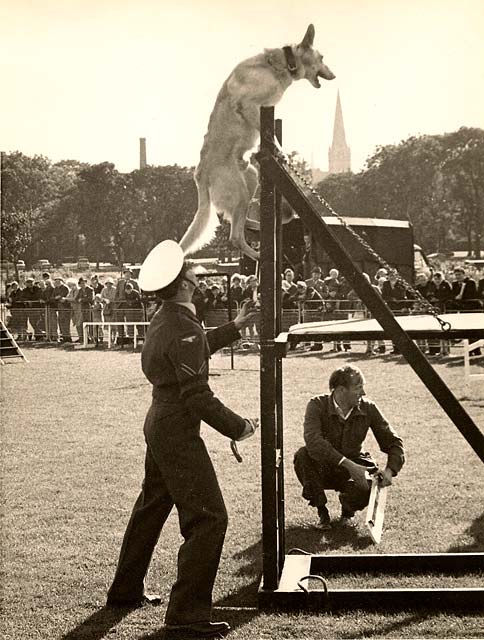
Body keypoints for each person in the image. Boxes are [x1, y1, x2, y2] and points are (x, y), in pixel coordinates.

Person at [106, 240, 259, 638]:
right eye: (196, 277)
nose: (201, 281)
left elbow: (190, 347)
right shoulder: (183, 325)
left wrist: (236, 327)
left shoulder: (167, 318)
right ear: (186, 287)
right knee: (209, 519)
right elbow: (197, 394)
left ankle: (125, 591)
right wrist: (239, 426)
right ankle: (188, 615)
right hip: (176, 429)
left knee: (151, 507)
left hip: (159, 421)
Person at [293, 365, 405, 530]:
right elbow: (314, 442)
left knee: (370, 478)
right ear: (340, 390)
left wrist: (389, 471)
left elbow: (394, 442)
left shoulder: (369, 408)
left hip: (354, 464)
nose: (363, 393)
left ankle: (348, 510)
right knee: (302, 456)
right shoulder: (316, 405)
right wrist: (348, 464)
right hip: (323, 466)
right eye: (358, 388)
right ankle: (322, 512)